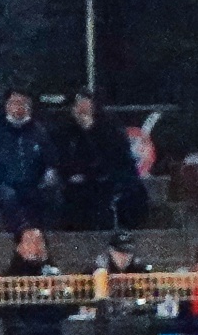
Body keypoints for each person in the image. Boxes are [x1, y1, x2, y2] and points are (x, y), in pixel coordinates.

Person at [0, 224, 93, 335]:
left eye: (39, 241)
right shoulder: (9, 278)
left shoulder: (53, 274)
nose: (36, 246)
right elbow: (5, 311)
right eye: (30, 241)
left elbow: (69, 306)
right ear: (19, 248)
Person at [50, 91, 146, 234]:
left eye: (85, 105)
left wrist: (90, 131)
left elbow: (116, 160)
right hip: (75, 185)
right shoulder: (64, 131)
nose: (81, 110)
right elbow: (61, 159)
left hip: (107, 183)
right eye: (77, 106)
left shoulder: (110, 129)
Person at [0, 88, 54, 234]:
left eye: (23, 103)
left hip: (32, 183)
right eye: (14, 103)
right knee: (9, 197)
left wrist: (48, 172)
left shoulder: (39, 131)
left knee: (45, 196)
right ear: (7, 105)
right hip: (1, 183)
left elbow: (48, 157)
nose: (19, 107)